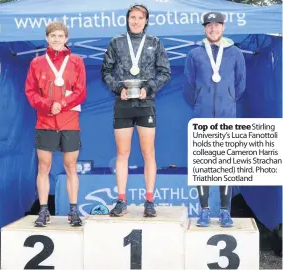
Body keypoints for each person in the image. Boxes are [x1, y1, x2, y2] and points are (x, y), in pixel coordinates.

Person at [102, 4, 171, 217]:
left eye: (140, 18)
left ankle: (149, 201)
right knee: (122, 154)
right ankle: (121, 200)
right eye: (133, 17)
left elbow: (165, 72)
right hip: (122, 104)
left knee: (148, 153)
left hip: (145, 104)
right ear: (127, 19)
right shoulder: (116, 42)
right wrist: (118, 88)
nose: (136, 21)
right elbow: (105, 71)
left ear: (146, 21)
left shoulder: (154, 43)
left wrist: (148, 88)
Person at [183, 12, 246, 227]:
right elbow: (188, 87)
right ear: (204, 29)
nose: (213, 29)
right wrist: (201, 100)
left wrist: (227, 99)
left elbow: (240, 85)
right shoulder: (194, 54)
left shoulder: (236, 53)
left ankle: (225, 211)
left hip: (227, 116)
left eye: (217, 25)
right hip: (201, 116)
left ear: (223, 28)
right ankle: (204, 210)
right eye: (209, 25)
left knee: (225, 165)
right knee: (203, 165)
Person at [25, 21, 87, 227]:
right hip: (45, 121)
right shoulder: (36, 63)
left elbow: (81, 91)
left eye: (60, 36)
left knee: (71, 166)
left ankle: (73, 210)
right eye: (53, 36)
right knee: (44, 166)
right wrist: (48, 105)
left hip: (69, 121)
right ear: (47, 39)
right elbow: (30, 92)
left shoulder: (76, 61)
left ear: (66, 39)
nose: (57, 39)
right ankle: (43, 211)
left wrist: (62, 104)